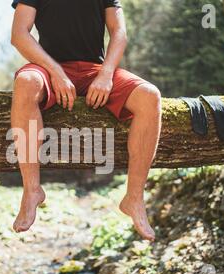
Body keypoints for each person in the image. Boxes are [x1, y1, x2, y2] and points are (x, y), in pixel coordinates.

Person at [10, 0, 162, 241]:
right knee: (26, 82)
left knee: (150, 96)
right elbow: (19, 34)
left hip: (96, 70)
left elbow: (119, 32)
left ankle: (134, 198)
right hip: (48, 69)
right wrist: (56, 71)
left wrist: (106, 73)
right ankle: (32, 190)